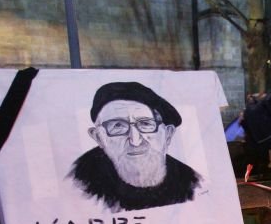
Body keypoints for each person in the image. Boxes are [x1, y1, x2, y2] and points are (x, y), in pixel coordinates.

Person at [68, 81, 200, 212]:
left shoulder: (194, 184)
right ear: (99, 138)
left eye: (146, 124)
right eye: (118, 126)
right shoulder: (76, 183)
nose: (135, 141)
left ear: (168, 134)